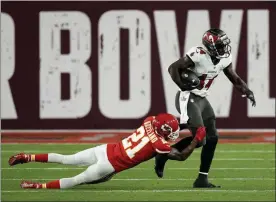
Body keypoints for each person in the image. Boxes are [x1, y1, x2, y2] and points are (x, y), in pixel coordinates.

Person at [154, 28, 256, 188]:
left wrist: (247, 91)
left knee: (213, 137)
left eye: (224, 45)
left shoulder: (225, 58)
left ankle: (202, 179)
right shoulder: (198, 54)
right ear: (211, 46)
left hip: (201, 99)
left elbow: (233, 77)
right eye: (220, 46)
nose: (224, 49)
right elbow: (173, 68)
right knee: (200, 139)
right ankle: (163, 155)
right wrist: (183, 85)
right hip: (188, 97)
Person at [9, 113, 206, 189]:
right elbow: (180, 156)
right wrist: (196, 139)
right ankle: (37, 186)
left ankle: (27, 156)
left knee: (66, 159)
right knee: (77, 180)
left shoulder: (149, 121)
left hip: (105, 149)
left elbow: (162, 126)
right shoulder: (160, 145)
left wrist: (183, 124)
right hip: (109, 165)